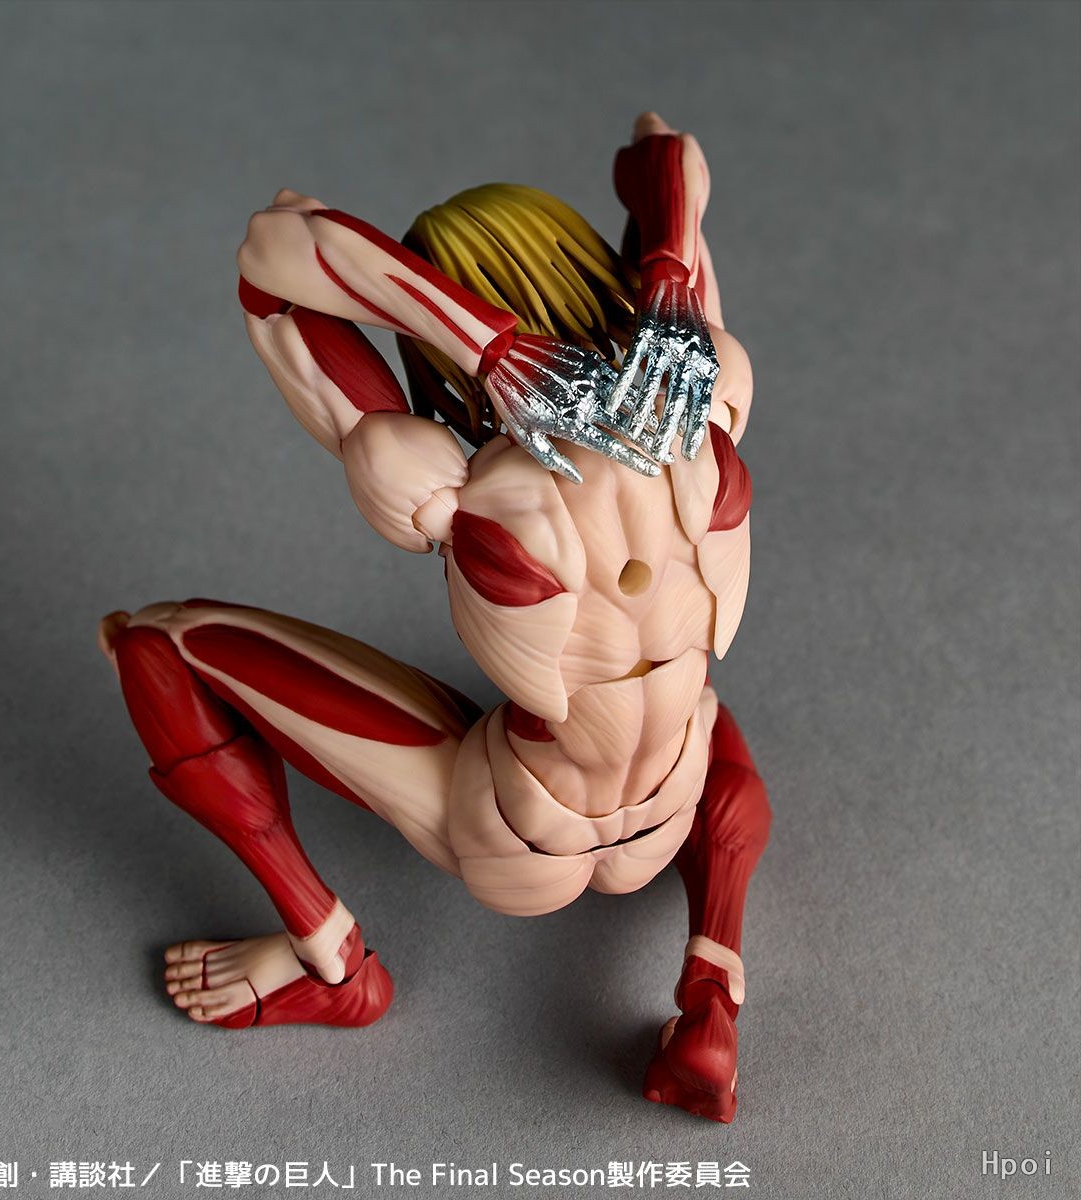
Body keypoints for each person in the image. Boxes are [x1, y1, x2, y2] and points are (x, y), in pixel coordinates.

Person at [98, 113, 770, 1123]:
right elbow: (669, 155)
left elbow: (273, 257)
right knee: (700, 701)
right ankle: (712, 980)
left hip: (519, 831)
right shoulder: (704, 404)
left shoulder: (453, 478)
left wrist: (483, 344)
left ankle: (329, 965)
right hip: (674, 790)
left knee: (159, 644)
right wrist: (667, 275)